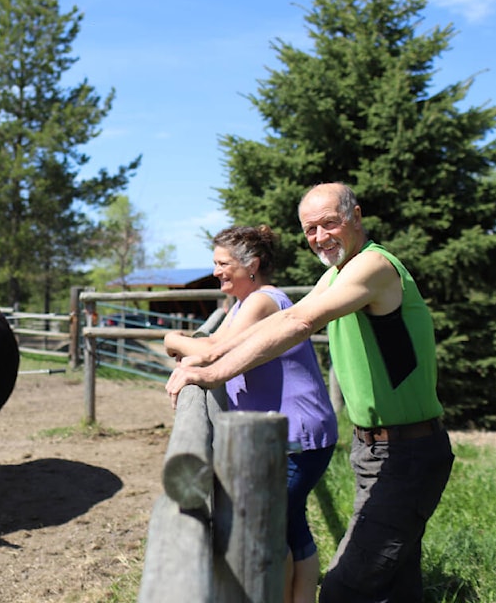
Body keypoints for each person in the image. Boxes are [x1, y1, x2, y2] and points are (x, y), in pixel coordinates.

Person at [166, 183, 454, 603]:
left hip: (407, 452)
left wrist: (214, 373)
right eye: (310, 229)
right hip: (374, 449)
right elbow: (277, 322)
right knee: (396, 585)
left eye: (329, 224)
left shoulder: (374, 266)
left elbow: (300, 321)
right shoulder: (337, 274)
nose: (320, 237)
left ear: (356, 217)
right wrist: (206, 356)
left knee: (344, 589)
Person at [164, 225, 338, 603]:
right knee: (290, 524)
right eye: (215, 263)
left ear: (252, 264)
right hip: (281, 432)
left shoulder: (263, 300)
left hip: (296, 433)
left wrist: (170, 340)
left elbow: (211, 351)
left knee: (271, 526)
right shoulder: (243, 303)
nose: (216, 271)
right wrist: (194, 349)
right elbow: (213, 346)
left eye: (223, 263)